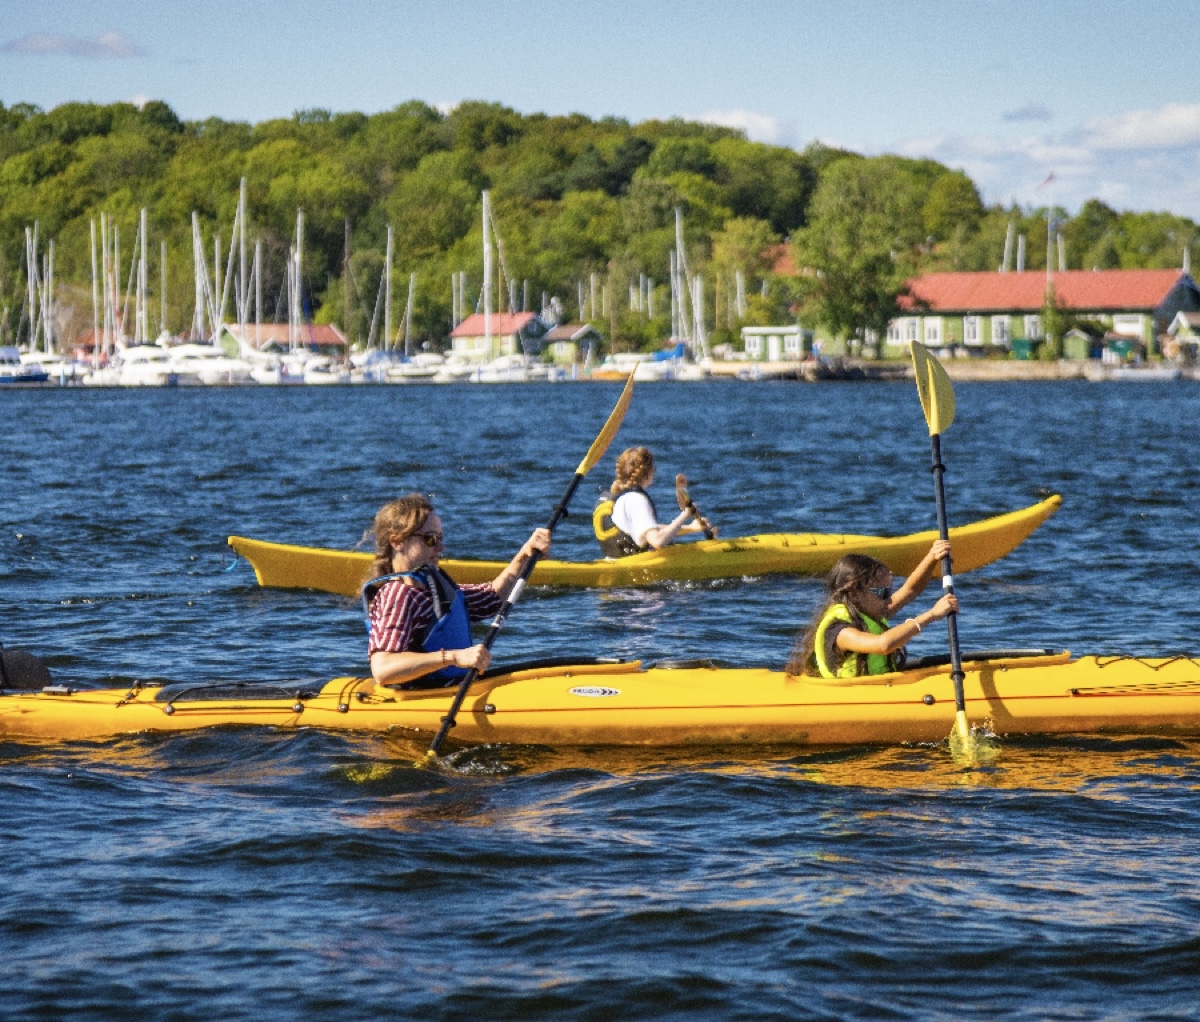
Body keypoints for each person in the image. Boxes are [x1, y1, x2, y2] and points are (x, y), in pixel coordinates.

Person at [363, 494, 551, 689]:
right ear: (397, 541)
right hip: (425, 699)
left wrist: (524, 555)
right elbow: (383, 668)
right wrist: (454, 657)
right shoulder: (398, 594)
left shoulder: (431, 587)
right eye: (430, 539)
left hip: (453, 689)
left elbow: (492, 598)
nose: (440, 547)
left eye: (440, 538)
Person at [787, 540, 959, 679]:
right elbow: (883, 644)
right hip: (853, 698)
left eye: (889, 591)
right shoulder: (840, 631)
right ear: (854, 593)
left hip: (879, 686)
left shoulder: (870, 610)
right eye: (882, 592)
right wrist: (931, 615)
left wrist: (932, 557)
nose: (888, 598)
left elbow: (909, 591)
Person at [593, 446, 714, 557]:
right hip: (636, 569)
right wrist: (685, 515)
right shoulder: (636, 499)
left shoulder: (616, 497)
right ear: (648, 472)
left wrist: (690, 529)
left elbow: (645, 527)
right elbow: (657, 541)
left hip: (614, 561)